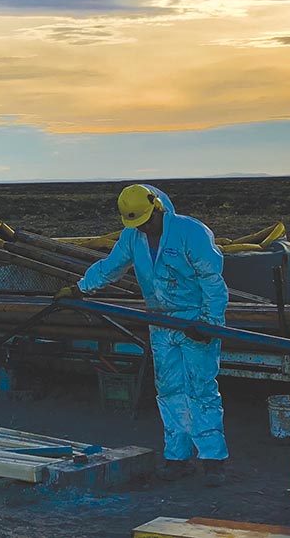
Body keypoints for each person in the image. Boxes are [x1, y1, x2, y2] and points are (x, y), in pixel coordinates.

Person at [58, 184, 230, 486]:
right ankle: (177, 457)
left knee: (200, 389)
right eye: (137, 224)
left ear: (159, 208)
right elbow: (111, 267)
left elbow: (212, 282)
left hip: (195, 322)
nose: (144, 228)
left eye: (146, 221)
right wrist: (80, 287)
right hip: (161, 323)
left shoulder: (192, 233)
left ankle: (213, 459)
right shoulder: (132, 236)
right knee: (169, 390)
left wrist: (209, 322)